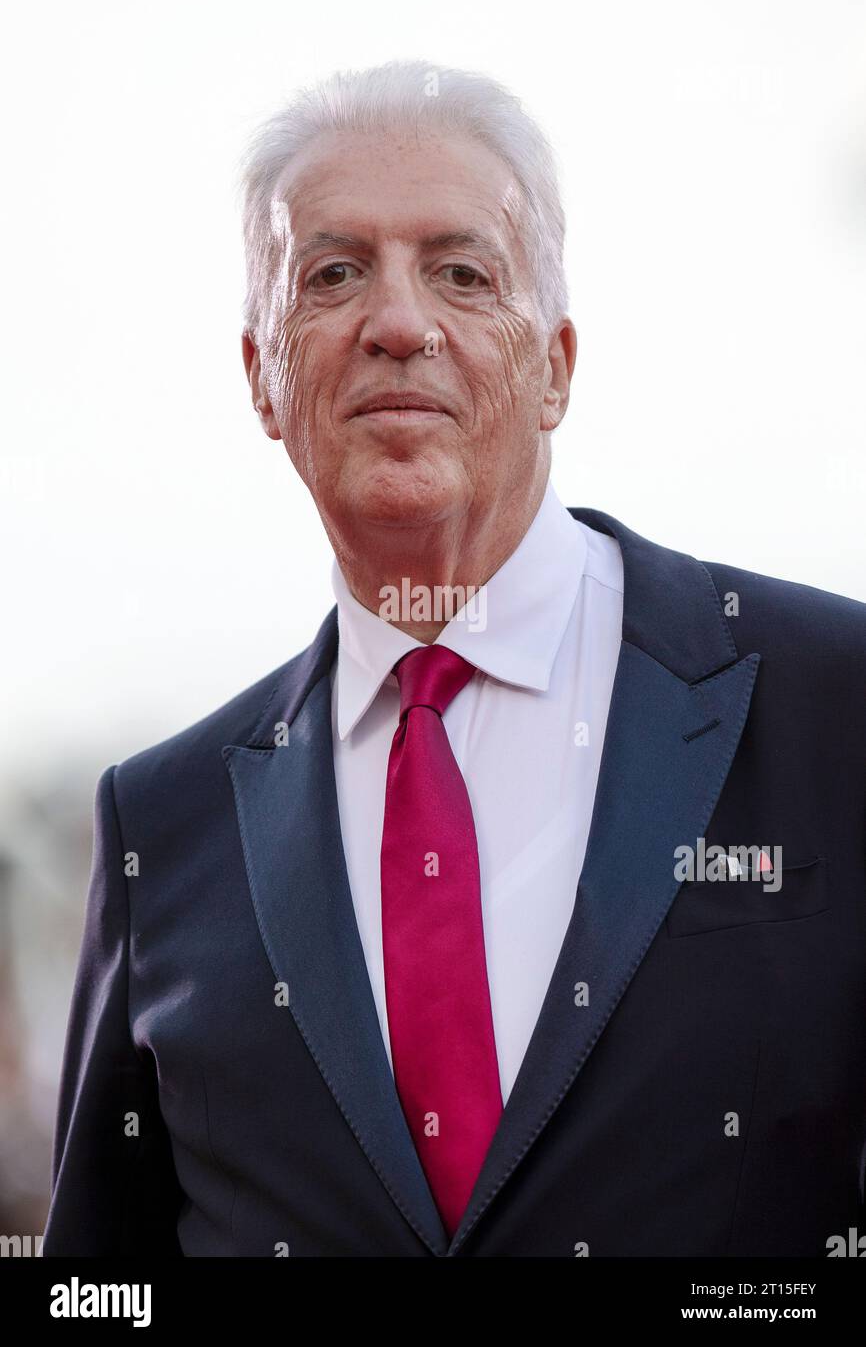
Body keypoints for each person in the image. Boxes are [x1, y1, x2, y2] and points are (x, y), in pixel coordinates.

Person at [43, 61, 866, 1258]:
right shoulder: (157, 827)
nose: (396, 322)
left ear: (556, 368)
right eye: (330, 274)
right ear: (261, 379)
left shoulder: (830, 705)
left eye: (461, 272)